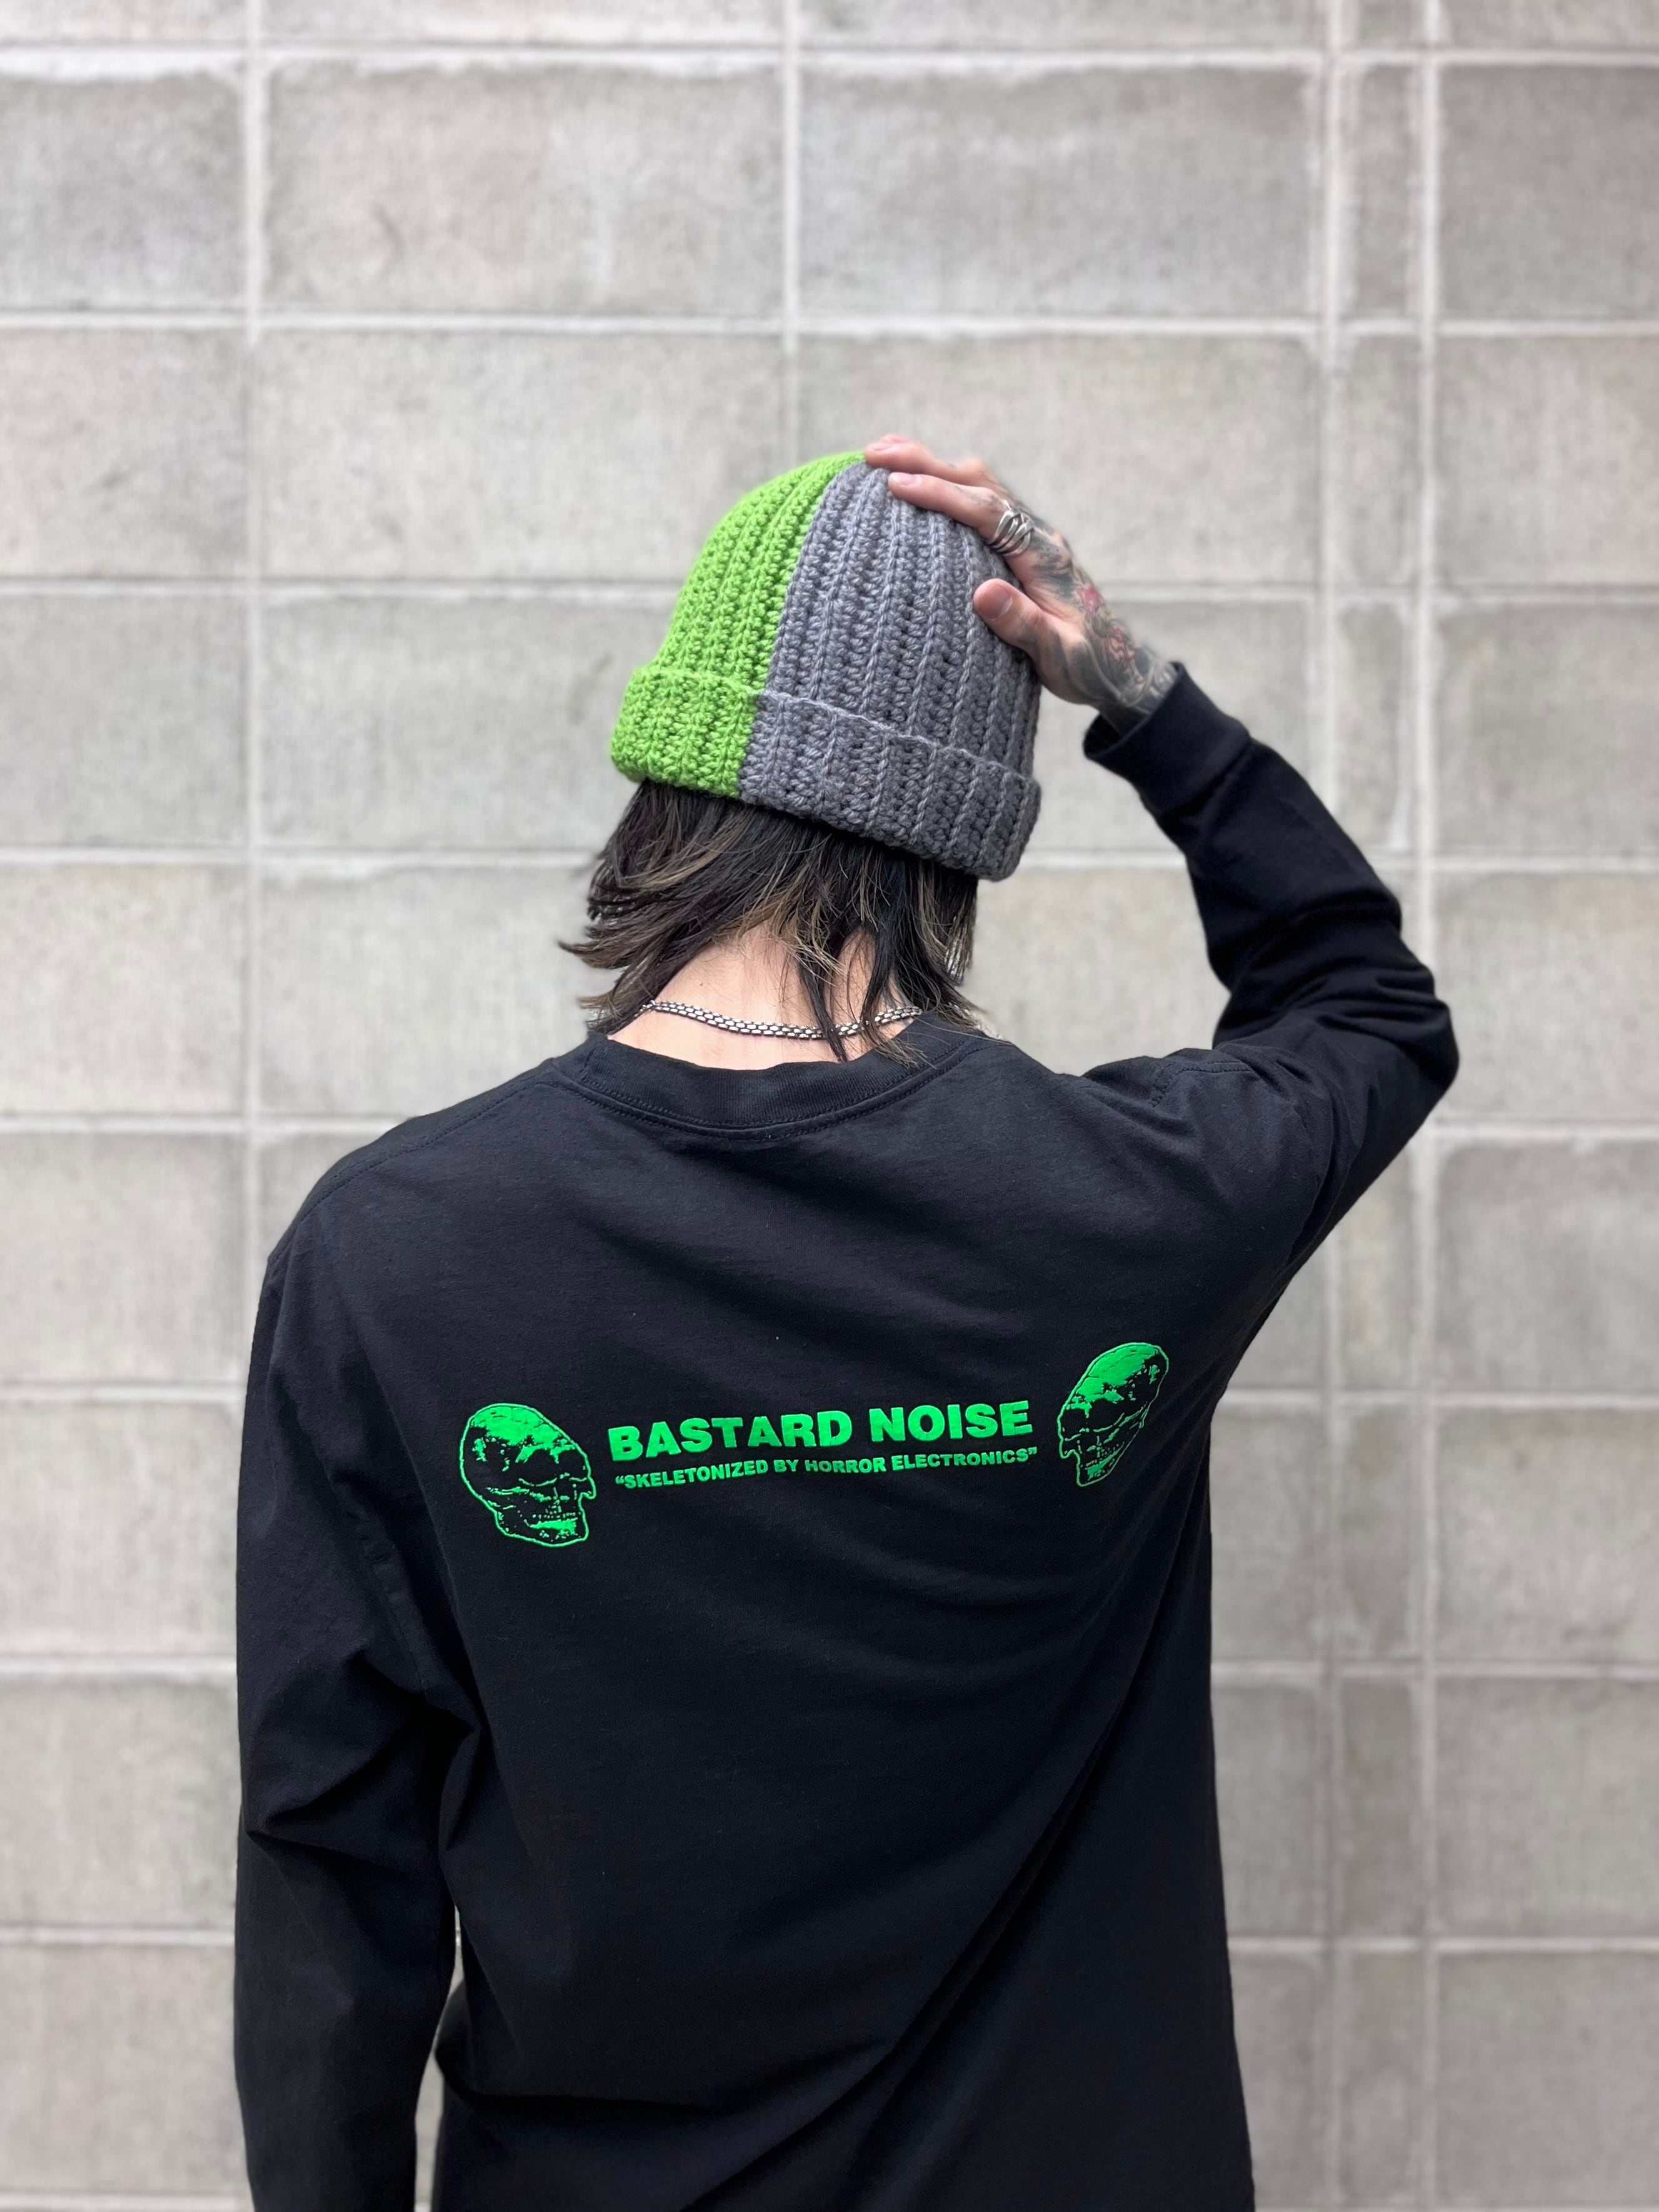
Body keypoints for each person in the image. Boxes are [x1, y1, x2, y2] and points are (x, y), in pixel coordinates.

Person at [234, 436, 1457, 2211]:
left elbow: (333, 1852)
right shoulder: (1134, 1202)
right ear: (962, 838)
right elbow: (1367, 1007)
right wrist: (1139, 698)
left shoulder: (394, 1247)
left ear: (670, 782)